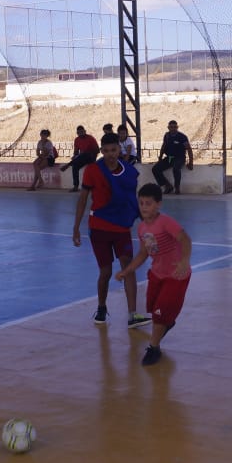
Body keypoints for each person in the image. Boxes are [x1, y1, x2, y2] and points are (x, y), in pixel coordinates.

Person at [73, 133, 151, 329]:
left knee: (128, 268)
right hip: (99, 227)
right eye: (106, 151)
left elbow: (132, 199)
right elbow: (83, 199)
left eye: (114, 150)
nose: (110, 154)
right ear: (101, 151)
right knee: (106, 271)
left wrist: (147, 222)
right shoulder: (93, 170)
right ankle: (101, 307)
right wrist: (76, 227)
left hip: (121, 227)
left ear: (119, 149)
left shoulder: (129, 172)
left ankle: (132, 314)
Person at [116, 183, 193, 366]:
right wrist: (127, 271)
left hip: (175, 276)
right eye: (141, 203)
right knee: (153, 308)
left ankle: (153, 347)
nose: (144, 207)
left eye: (148, 203)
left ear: (158, 204)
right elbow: (144, 253)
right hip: (157, 275)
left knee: (158, 313)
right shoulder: (142, 228)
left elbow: (185, 239)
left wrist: (184, 260)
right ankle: (166, 322)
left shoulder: (165, 222)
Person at [151, 120, 193, 194]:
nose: (173, 129)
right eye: (171, 127)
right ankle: (167, 185)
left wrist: (190, 162)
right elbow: (163, 146)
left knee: (176, 168)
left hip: (180, 158)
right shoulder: (167, 136)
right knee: (155, 169)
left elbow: (189, 149)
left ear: (177, 127)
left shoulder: (182, 137)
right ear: (168, 128)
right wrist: (160, 157)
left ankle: (177, 187)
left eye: (175, 127)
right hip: (169, 158)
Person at [61, 125, 100, 192]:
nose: (81, 134)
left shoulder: (90, 138)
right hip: (82, 158)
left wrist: (88, 152)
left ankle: (68, 164)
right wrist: (74, 156)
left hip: (91, 157)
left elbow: (97, 150)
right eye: (79, 133)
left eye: (82, 132)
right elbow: (76, 152)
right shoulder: (77, 140)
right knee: (75, 166)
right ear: (77, 133)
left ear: (85, 131)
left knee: (85, 153)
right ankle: (75, 186)